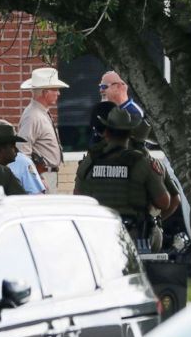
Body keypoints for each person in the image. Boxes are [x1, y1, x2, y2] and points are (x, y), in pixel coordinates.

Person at [74, 107, 170, 245]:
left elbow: (78, 198)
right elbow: (164, 202)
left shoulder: (90, 161)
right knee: (156, 233)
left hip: (97, 234)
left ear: (106, 133)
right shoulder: (141, 162)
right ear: (130, 134)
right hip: (134, 237)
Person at [130, 120, 181, 251]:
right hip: (146, 233)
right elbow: (173, 201)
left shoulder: (104, 161)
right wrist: (155, 221)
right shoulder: (154, 164)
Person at [18, 67, 68, 192]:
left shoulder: (40, 112)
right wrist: (37, 177)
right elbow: (22, 151)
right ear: (45, 92)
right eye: (55, 90)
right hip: (42, 176)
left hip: (47, 175)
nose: (58, 93)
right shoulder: (32, 116)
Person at [0, 120, 45, 194]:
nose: (17, 150)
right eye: (12, 146)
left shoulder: (23, 162)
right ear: (1, 149)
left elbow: (36, 194)